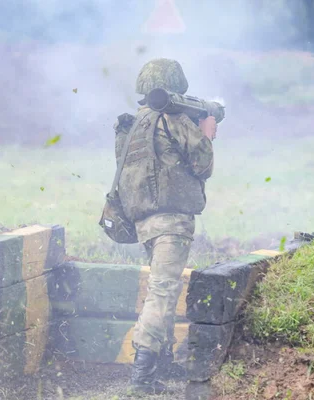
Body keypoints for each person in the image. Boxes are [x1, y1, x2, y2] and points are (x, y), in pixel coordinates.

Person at [113, 58, 217, 394]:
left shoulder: (131, 126)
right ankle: (142, 377)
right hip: (171, 222)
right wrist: (207, 134)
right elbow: (203, 164)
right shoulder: (173, 118)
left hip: (143, 222)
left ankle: (163, 361)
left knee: (164, 290)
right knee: (161, 293)